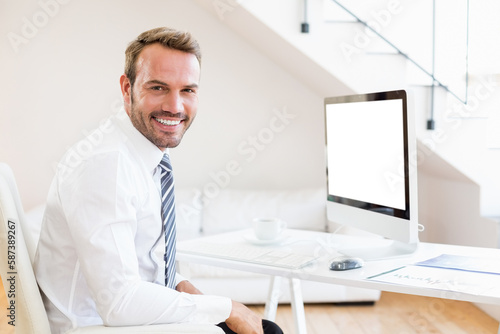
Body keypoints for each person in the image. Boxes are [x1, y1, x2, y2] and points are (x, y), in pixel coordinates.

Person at [34, 27, 283, 334]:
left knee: (263, 328)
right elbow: (120, 302)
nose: (175, 107)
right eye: (158, 88)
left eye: (188, 90)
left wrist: (191, 292)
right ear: (127, 89)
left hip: (122, 318)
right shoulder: (106, 165)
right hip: (95, 327)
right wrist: (226, 307)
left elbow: (144, 262)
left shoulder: (144, 154)